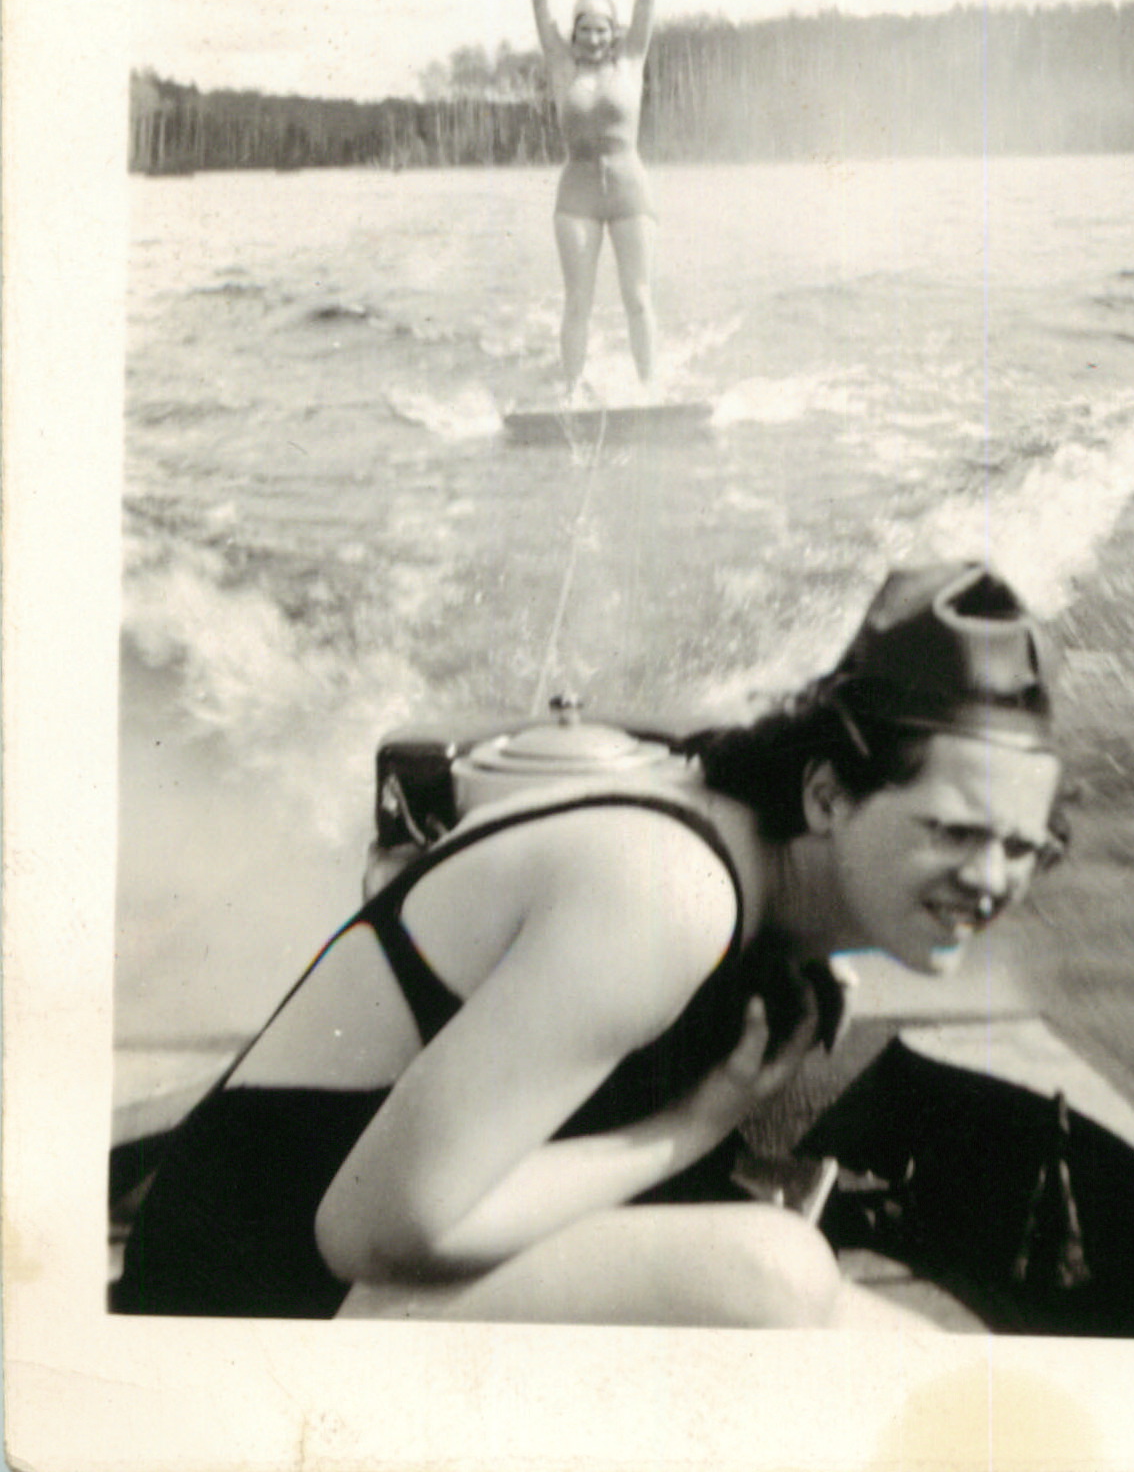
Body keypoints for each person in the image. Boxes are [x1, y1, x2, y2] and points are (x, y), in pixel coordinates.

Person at [111, 565, 1066, 1327]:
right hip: (240, 1307)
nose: (991, 878)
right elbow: (375, 1230)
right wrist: (690, 1128)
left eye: (1023, 845)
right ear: (824, 794)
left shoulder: (732, 851)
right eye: (951, 830)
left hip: (334, 1279)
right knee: (774, 1274)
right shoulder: (670, 895)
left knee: (892, 1348)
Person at [530, 0, 658, 392]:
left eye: (602, 29)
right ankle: (572, 396)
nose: (594, 38)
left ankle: (649, 391)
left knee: (638, 298)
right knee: (577, 302)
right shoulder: (562, 67)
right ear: (574, 32)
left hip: (629, 192)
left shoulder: (631, 61)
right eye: (585, 29)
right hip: (577, 195)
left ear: (614, 31)